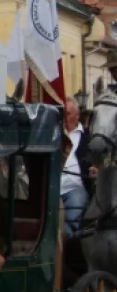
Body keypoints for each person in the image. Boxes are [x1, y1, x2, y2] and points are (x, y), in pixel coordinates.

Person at [61, 96, 90, 237]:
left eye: (68, 114)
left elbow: (97, 161)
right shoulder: (55, 134)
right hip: (51, 187)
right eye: (62, 114)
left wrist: (95, 168)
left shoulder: (88, 137)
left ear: (77, 116)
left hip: (75, 187)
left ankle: (66, 242)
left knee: (77, 199)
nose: (64, 118)